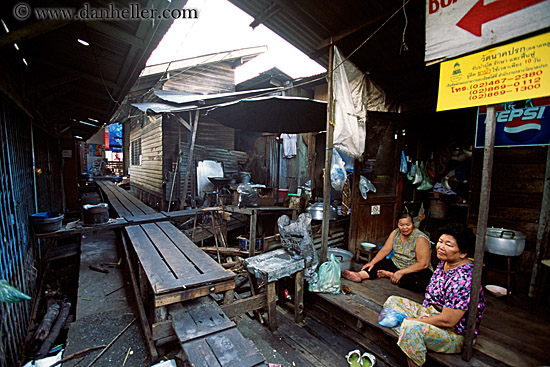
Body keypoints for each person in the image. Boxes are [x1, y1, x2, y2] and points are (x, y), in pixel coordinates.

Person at [382, 222, 486, 366]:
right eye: (440, 242)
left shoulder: (463, 280)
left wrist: (415, 321)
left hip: (453, 333)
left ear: (463, 253)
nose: (441, 247)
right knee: (392, 302)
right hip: (432, 314)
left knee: (410, 328)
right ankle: (412, 338)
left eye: (448, 245)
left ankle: (412, 346)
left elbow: (448, 321)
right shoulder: (445, 263)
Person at [342, 213, 432, 292]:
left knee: (418, 283)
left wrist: (401, 273)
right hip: (397, 263)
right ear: (397, 224)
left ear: (413, 224)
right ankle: (359, 275)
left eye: (407, 225)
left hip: (414, 269)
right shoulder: (395, 233)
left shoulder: (420, 238)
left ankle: (390, 275)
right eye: (401, 225)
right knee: (378, 265)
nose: (405, 228)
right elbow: (385, 250)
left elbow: (423, 264)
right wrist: (372, 262)